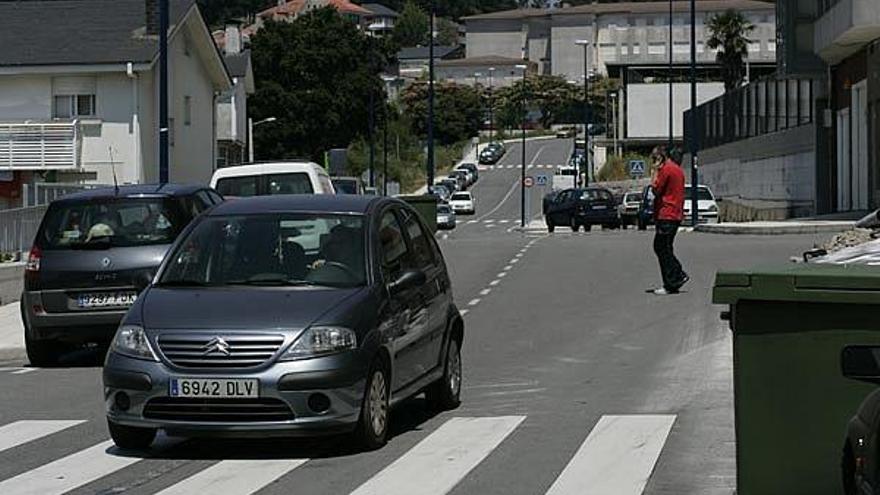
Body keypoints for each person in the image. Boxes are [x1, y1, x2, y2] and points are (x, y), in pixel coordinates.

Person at [650, 146, 689, 295]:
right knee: (665, 247)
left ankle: (676, 276)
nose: (653, 162)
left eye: (654, 159)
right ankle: (672, 281)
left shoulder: (666, 169)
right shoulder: (678, 170)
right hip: (674, 214)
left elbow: (655, 189)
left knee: (661, 247)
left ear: (661, 157)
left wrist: (654, 171)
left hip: (666, 214)